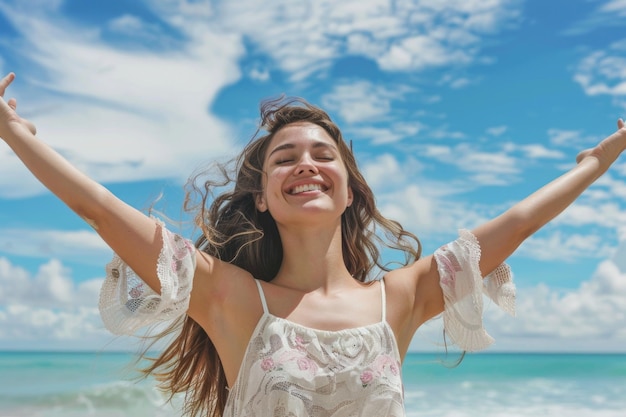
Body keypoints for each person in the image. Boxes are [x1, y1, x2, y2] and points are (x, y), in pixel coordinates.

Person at [0, 71, 624, 417]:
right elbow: (98, 210)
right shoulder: (231, 297)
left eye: (324, 156)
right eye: (284, 158)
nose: (305, 164)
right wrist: (15, 134)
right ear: (263, 197)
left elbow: (516, 225)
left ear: (349, 190)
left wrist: (597, 161)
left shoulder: (399, 299)